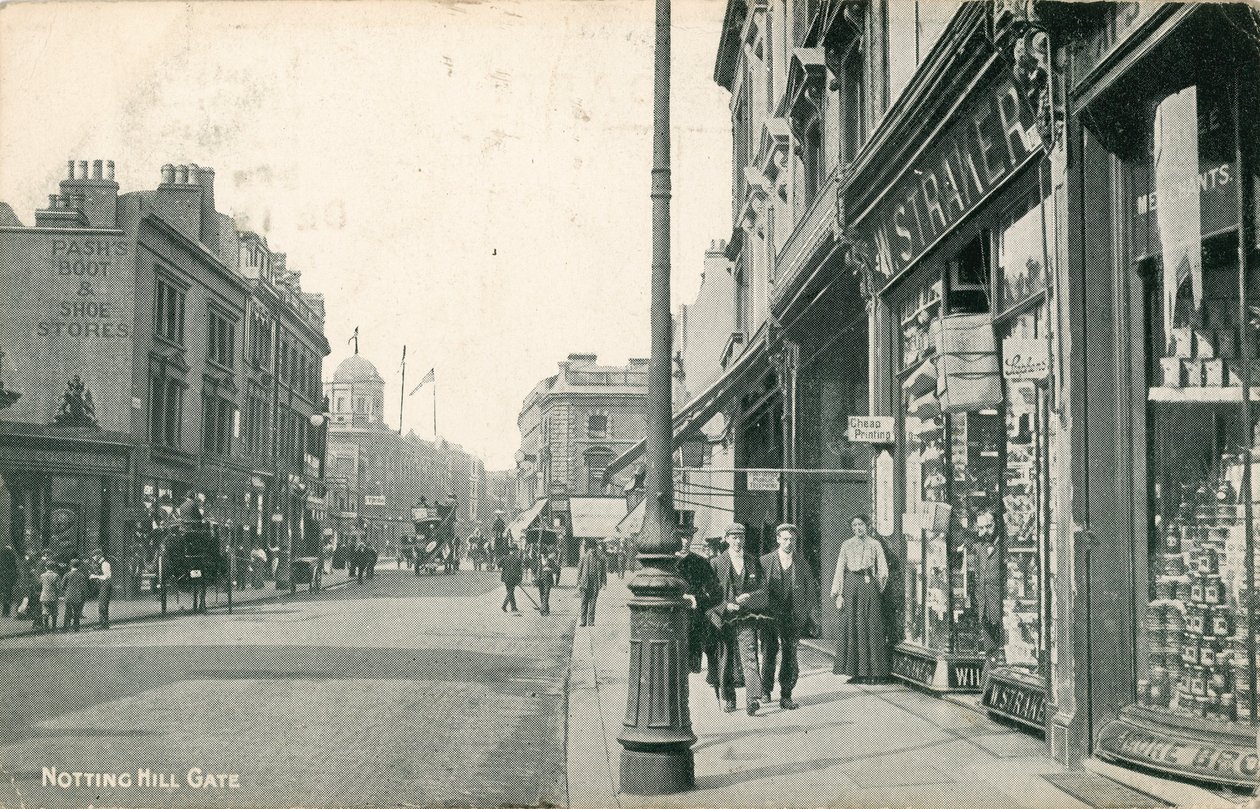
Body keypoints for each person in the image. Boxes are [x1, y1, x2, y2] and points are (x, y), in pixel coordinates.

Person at [709, 523, 767, 715]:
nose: (738, 541)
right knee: (725, 659)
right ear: (726, 539)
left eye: (741, 537)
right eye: (733, 537)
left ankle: (752, 699)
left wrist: (750, 597)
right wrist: (726, 605)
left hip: (746, 617)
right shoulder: (716, 563)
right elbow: (709, 595)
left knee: (749, 657)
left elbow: (763, 589)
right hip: (724, 619)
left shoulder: (752, 561)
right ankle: (730, 698)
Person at [759, 524, 818, 710]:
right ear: (777, 539)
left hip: (792, 616)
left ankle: (786, 695)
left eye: (792, 539)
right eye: (785, 539)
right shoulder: (765, 561)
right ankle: (765, 689)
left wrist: (806, 614)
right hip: (769, 614)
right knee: (769, 651)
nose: (788, 542)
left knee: (790, 654)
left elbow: (811, 593)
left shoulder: (801, 563)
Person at [831, 515, 889, 683]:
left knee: (871, 625)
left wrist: (877, 587)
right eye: (854, 525)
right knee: (853, 625)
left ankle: (874, 673)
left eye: (861, 524)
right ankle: (855, 672)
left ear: (867, 526)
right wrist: (838, 594)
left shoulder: (875, 544)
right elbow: (840, 569)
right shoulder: (846, 545)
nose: (858, 528)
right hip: (851, 587)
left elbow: (883, 570)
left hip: (869, 585)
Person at [675, 530, 721, 675]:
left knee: (692, 659)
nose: (685, 541)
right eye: (682, 537)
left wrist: (696, 598)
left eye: (688, 537)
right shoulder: (667, 561)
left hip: (696, 615)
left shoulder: (700, 562)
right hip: (674, 614)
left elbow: (713, 589)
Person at [970, 510, 1003, 668]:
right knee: (990, 652)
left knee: (998, 653)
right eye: (980, 528)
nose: (984, 532)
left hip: (999, 607)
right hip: (985, 608)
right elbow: (977, 576)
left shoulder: (1003, 545)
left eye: (988, 527)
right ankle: (987, 689)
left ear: (996, 523)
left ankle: (987, 690)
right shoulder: (980, 547)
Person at [576, 539, 607, 627]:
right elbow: (579, 571)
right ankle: (583, 621)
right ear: (589, 548)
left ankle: (591, 621)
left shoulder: (600, 558)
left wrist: (604, 583)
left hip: (595, 583)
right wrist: (578, 583)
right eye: (591, 548)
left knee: (593, 602)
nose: (593, 550)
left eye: (594, 548)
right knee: (584, 602)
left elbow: (603, 572)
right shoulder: (584, 557)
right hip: (585, 582)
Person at [60, 559, 88, 632]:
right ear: (78, 566)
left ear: (70, 565)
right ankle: (76, 627)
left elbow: (62, 586)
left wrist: (66, 590)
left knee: (67, 611)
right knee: (76, 612)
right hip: (77, 595)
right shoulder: (81, 575)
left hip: (68, 595)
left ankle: (66, 627)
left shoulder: (67, 574)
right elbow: (83, 587)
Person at [89, 549, 113, 629]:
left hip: (106, 585)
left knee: (102, 605)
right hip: (103, 585)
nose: (93, 558)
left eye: (94, 556)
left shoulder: (105, 564)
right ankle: (103, 623)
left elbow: (107, 576)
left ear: (99, 555)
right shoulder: (99, 564)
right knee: (102, 605)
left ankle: (103, 624)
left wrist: (94, 576)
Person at [500, 545, 523, 613]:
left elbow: (498, 564)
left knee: (510, 591)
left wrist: (504, 567)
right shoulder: (518, 559)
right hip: (513, 578)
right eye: (516, 550)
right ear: (515, 550)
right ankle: (504, 605)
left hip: (506, 577)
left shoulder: (504, 558)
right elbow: (520, 571)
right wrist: (520, 579)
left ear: (510, 551)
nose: (517, 552)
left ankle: (513, 607)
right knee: (510, 592)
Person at [39, 561, 60, 632]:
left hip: (44, 596)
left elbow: (40, 584)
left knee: (45, 612)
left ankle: (46, 628)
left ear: (45, 567)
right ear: (54, 568)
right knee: (54, 613)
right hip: (53, 596)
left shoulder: (42, 575)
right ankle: (54, 628)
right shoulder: (56, 575)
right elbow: (58, 587)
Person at [535, 551, 558, 615]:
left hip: (548, 580)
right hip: (540, 580)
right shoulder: (539, 561)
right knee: (541, 595)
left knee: (546, 595)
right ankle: (547, 610)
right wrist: (535, 577)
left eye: (545, 554)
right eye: (543, 554)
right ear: (541, 554)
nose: (544, 556)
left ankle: (542, 610)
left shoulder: (550, 561)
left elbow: (556, 569)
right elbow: (535, 569)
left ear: (547, 555)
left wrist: (549, 569)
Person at [0, 543, 17, 617]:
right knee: (8, 595)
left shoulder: (2, 557)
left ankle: (4, 612)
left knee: (5, 595)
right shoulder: (12, 556)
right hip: (9, 579)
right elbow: (15, 567)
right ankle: (6, 612)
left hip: (3, 578)